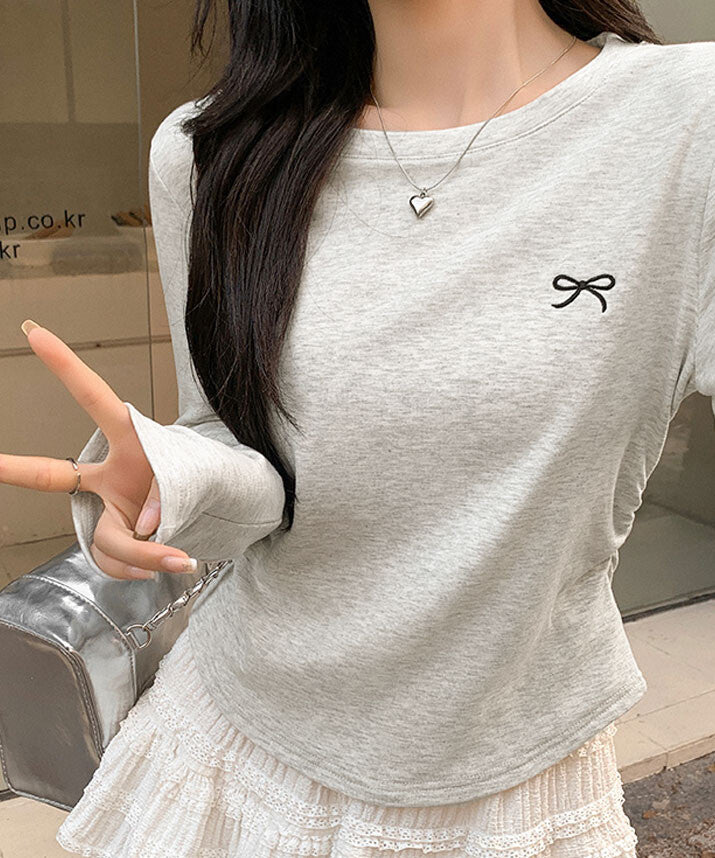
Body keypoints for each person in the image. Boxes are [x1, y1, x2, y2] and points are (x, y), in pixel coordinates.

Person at [3, 0, 713, 855]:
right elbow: (241, 456)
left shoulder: (686, 120)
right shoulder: (211, 149)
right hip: (233, 746)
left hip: (512, 778)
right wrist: (173, 482)